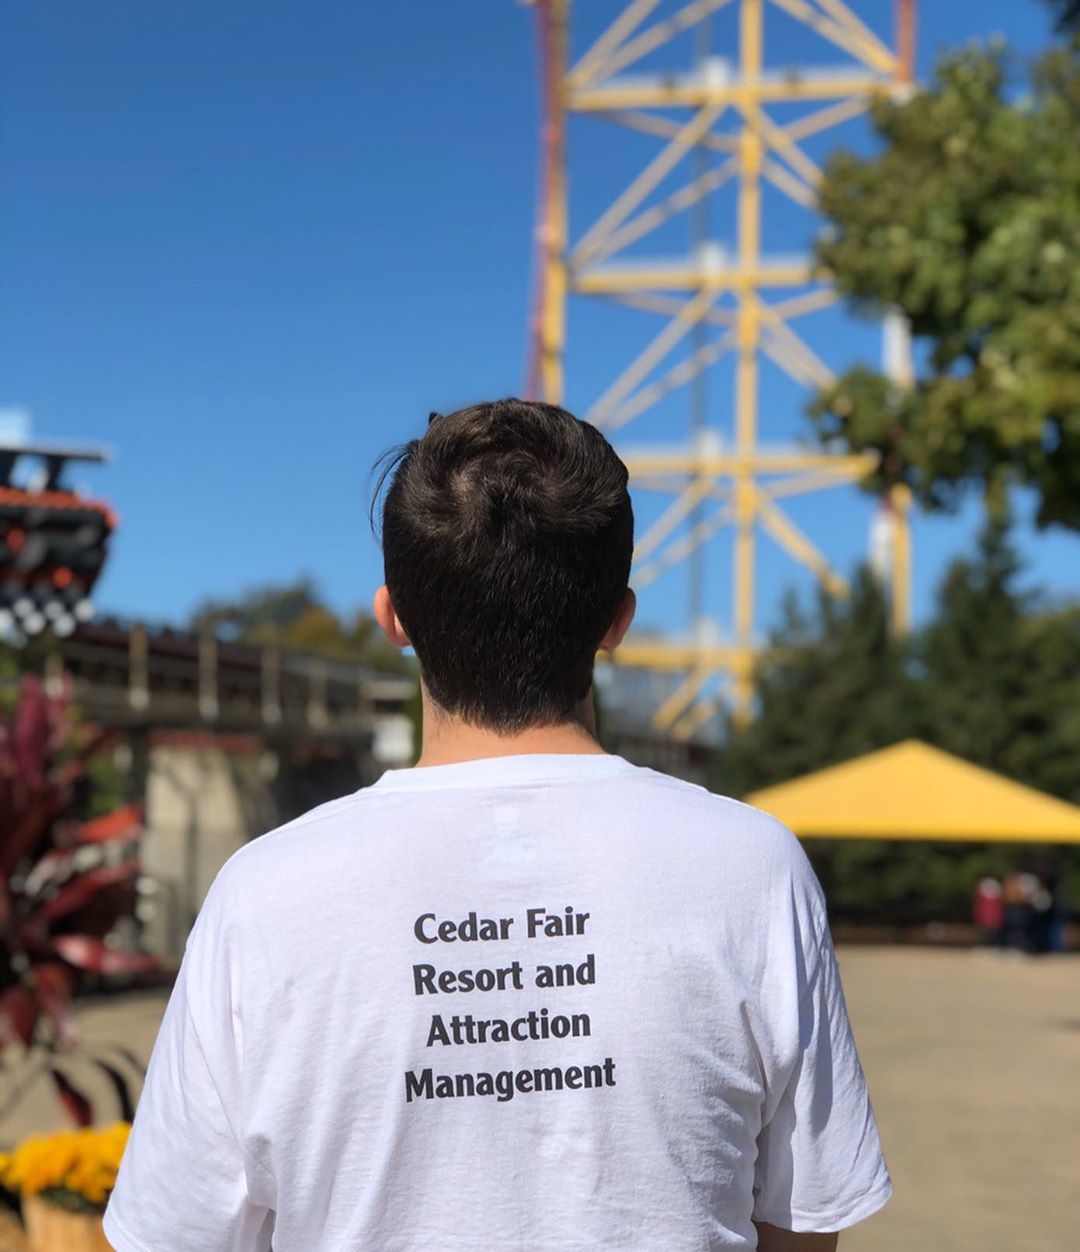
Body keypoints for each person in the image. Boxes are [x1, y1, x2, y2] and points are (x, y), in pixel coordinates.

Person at [104, 400, 891, 1251]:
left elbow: (175, 1234)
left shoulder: (263, 894)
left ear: (393, 617)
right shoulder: (752, 868)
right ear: (618, 621)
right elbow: (805, 1222)